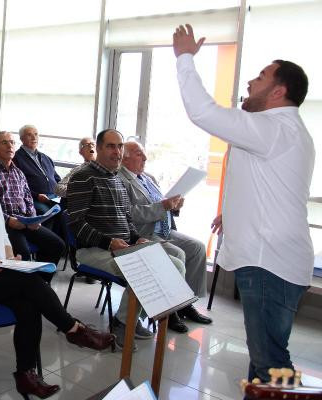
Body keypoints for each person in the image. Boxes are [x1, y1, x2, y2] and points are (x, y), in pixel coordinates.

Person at [173, 24, 314, 381]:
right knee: (265, 360)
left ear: (279, 91)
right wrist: (232, 214)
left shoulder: (274, 128)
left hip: (269, 265)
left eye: (261, 77)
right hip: (277, 261)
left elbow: (203, 112)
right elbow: (268, 186)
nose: (250, 82)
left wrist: (185, 58)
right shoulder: (284, 131)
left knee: (270, 362)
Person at [0, 139, 115, 399]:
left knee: (29, 304)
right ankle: (73, 329)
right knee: (31, 283)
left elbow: (2, 236)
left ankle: (25, 375)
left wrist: (9, 257)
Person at [67, 129, 188, 348]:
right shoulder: (83, 177)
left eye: (120, 146)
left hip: (123, 247)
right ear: (99, 148)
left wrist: (137, 238)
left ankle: (132, 317)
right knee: (147, 267)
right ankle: (124, 322)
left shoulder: (117, 179)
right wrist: (108, 242)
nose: (117, 151)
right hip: (94, 250)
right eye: (111, 146)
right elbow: (76, 224)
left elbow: (127, 220)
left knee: (176, 264)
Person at [119, 141, 212, 325]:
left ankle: (186, 303)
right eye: (139, 154)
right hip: (144, 232)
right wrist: (163, 206)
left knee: (197, 248)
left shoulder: (149, 178)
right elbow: (130, 213)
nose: (145, 158)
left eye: (144, 153)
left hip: (164, 229)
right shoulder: (121, 179)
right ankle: (169, 310)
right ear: (125, 158)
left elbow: (161, 202)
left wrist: (174, 206)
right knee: (178, 254)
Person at [0, 131, 65, 270]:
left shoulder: (18, 172)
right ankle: (27, 281)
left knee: (58, 245)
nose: (10, 146)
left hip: (26, 221)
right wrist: (8, 220)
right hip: (4, 223)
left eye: (12, 142)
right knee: (22, 254)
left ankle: (41, 279)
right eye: (4, 143)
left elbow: (28, 198)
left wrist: (33, 218)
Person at [13, 125, 61, 215]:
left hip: (54, 196)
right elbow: (17, 185)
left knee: (67, 209)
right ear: (22, 138)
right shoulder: (16, 158)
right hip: (34, 198)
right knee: (47, 213)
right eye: (29, 135)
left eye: (36, 134)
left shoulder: (46, 158)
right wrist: (36, 195)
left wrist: (63, 190)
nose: (34, 137)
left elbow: (57, 178)